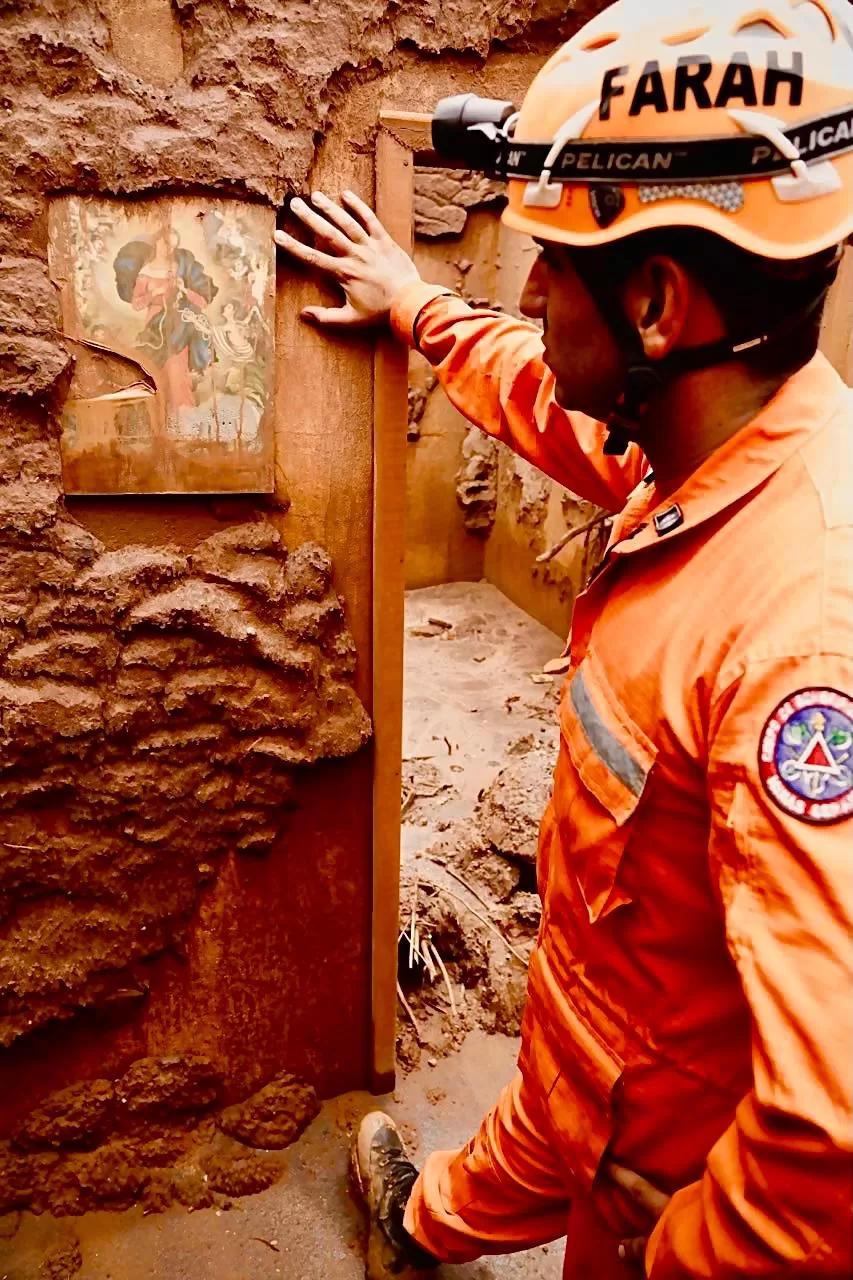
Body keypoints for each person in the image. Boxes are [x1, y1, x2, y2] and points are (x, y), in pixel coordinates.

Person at [274, 0, 853, 1275]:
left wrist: (689, 1246)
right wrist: (416, 307)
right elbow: (551, 400)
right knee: (475, 1182)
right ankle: (423, 1227)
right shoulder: (719, 439)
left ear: (653, 303)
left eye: (548, 264)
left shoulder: (803, 635)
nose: (526, 288)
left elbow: (830, 1128)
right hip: (592, 1043)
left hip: (661, 1149)